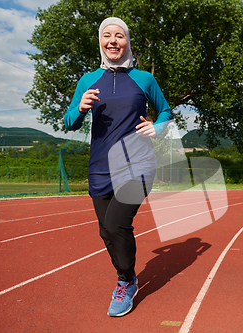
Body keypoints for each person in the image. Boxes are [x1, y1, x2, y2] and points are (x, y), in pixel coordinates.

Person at [64, 17, 172, 317]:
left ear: (127, 42)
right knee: (106, 232)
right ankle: (129, 273)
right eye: (107, 36)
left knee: (116, 224)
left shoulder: (144, 79)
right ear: (100, 41)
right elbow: (69, 122)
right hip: (99, 166)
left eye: (119, 36)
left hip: (137, 164)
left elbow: (165, 110)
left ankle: (125, 281)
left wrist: (157, 127)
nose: (113, 41)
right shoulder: (87, 80)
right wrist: (81, 107)